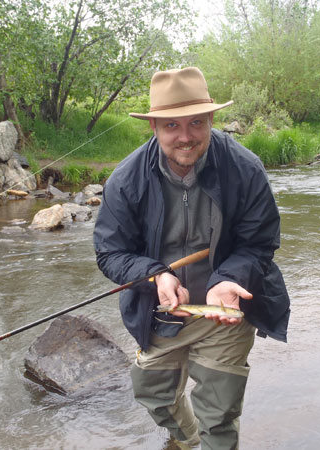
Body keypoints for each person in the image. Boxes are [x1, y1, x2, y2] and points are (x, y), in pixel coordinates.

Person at [93, 67, 290, 450]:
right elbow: (110, 252)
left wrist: (229, 277)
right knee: (156, 397)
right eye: (171, 126)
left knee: (220, 416)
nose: (185, 136)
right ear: (153, 127)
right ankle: (185, 441)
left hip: (225, 312)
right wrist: (154, 276)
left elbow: (261, 243)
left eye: (196, 122)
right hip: (160, 309)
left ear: (211, 120)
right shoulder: (126, 180)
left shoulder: (245, 169)